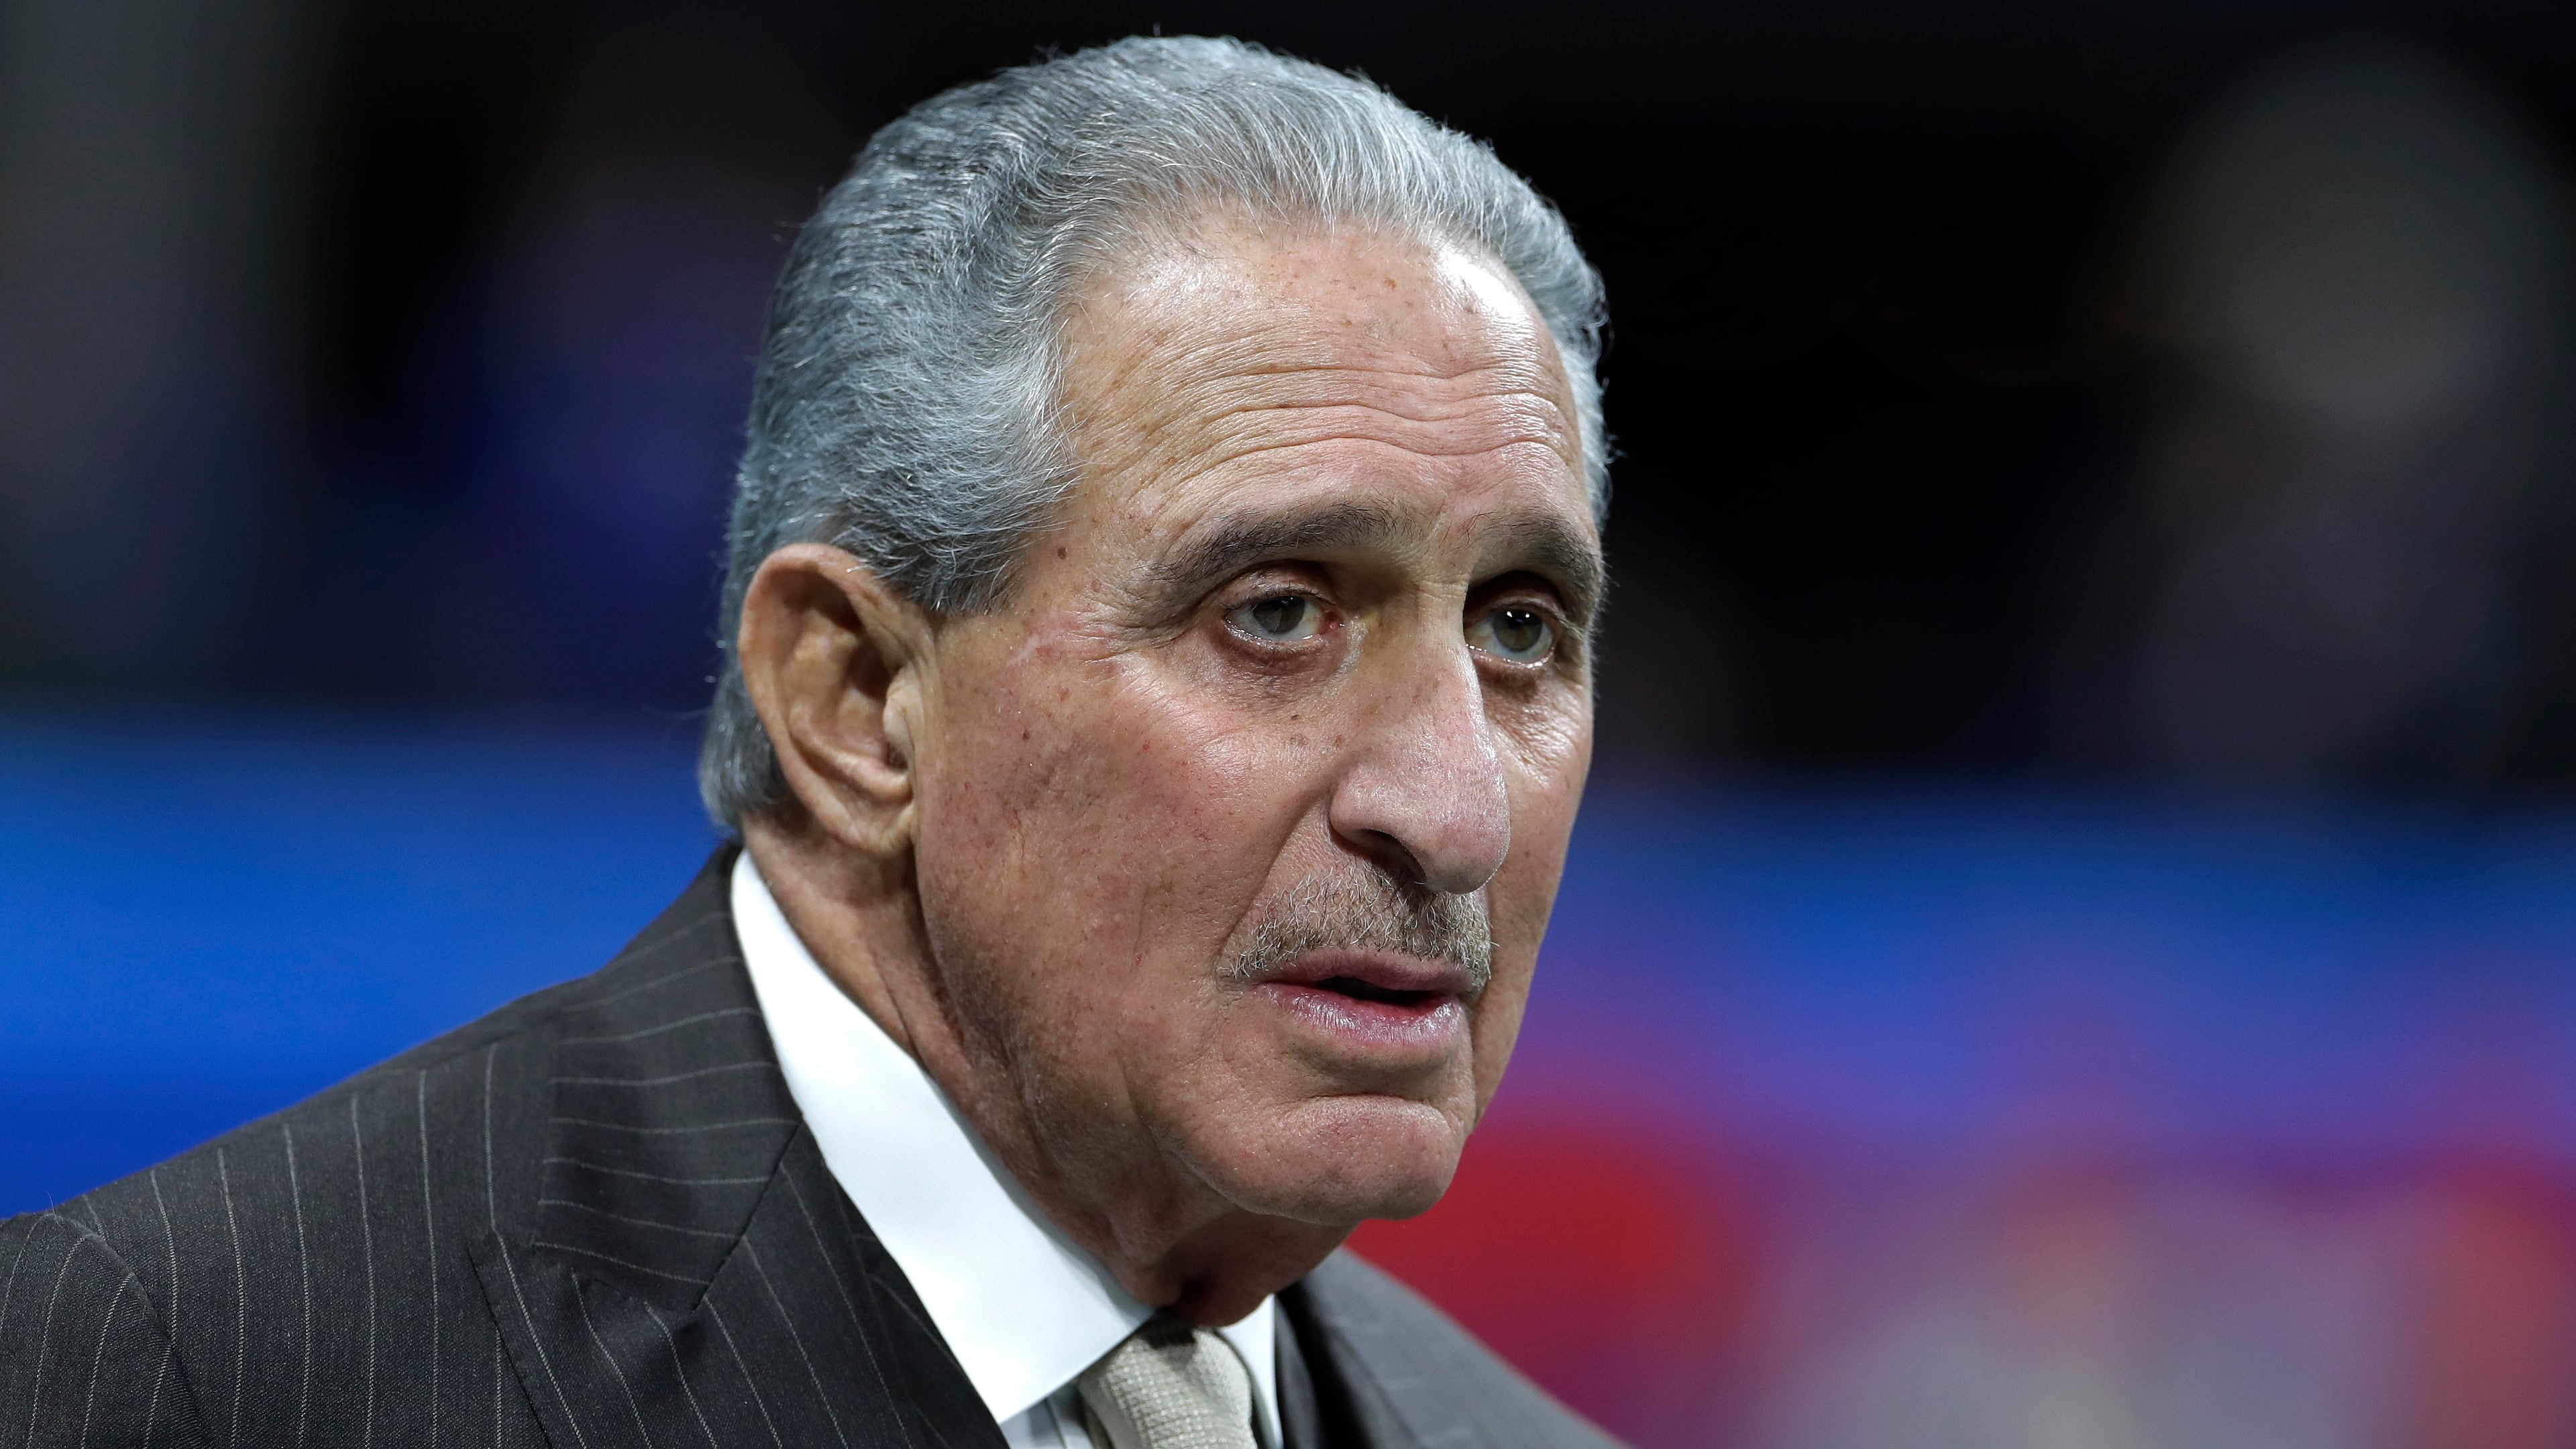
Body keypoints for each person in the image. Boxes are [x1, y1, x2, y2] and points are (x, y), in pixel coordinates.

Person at [0, 36, 1615, 1449]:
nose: (1454, 808)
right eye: (1274, 614)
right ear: (854, 701)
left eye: (1520, 628)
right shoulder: (191, 1364)